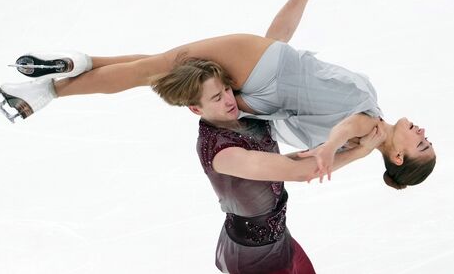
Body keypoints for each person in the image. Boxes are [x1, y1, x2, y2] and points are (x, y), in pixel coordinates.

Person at [0, 0, 435, 189]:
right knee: (155, 67)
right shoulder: (349, 141)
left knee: (154, 67)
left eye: (421, 144)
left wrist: (340, 149)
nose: (421, 132)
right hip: (260, 69)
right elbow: (278, 42)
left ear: (396, 157)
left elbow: (347, 122)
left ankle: (51, 86)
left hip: (258, 65)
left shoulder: (367, 122)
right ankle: (67, 72)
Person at [154, 56, 384, 273]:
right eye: (216, 97)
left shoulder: (241, 118)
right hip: (253, 259)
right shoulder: (221, 153)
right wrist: (359, 152)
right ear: (196, 109)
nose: (228, 99)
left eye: (226, 89)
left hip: (279, 239)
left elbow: (283, 162)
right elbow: (297, 172)